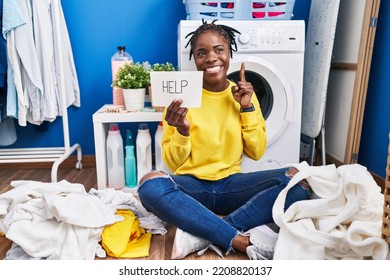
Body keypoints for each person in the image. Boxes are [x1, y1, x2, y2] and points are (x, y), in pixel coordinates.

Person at [137, 20, 311, 260]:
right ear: (195, 59)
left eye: (219, 50)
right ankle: (238, 239)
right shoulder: (182, 98)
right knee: (149, 184)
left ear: (229, 54)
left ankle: (203, 234)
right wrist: (182, 132)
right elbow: (173, 163)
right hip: (192, 187)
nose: (211, 58)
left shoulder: (244, 96)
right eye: (202, 52)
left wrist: (247, 108)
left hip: (232, 186)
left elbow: (256, 151)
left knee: (299, 181)